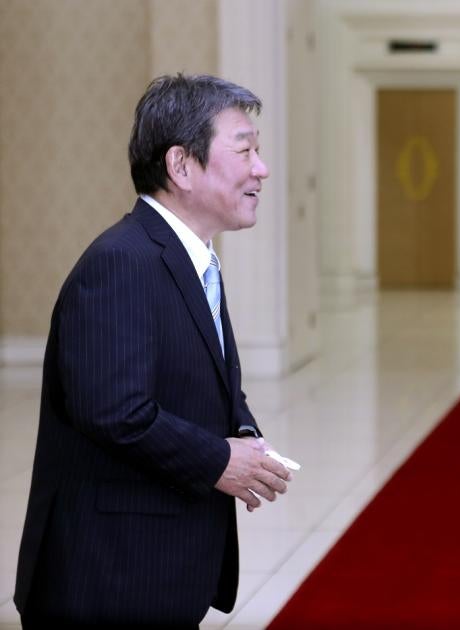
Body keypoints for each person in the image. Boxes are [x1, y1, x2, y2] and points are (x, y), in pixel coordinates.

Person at [14, 74, 293, 628]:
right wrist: (219, 461)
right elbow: (114, 410)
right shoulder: (122, 262)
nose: (260, 168)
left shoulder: (193, 258)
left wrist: (242, 433)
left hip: (160, 563)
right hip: (109, 574)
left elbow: (205, 375)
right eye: (245, 149)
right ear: (181, 165)